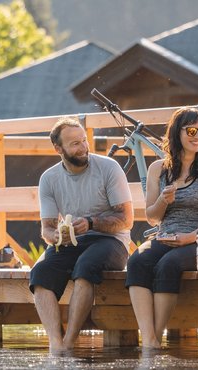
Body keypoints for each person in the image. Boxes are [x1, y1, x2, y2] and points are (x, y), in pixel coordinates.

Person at [29, 116, 134, 353]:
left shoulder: (108, 168)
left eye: (84, 141)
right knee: (40, 273)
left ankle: (69, 342)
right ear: (59, 149)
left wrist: (91, 222)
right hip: (73, 240)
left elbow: (126, 220)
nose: (83, 148)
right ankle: (55, 342)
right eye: (75, 144)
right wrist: (55, 237)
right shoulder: (49, 178)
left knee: (85, 268)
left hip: (112, 240)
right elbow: (46, 228)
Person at [124, 107, 198, 349]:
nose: (197, 136)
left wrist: (189, 237)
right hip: (167, 235)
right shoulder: (158, 169)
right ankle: (148, 337)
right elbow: (151, 217)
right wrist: (163, 200)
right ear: (176, 133)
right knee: (137, 261)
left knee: (168, 264)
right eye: (191, 130)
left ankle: (154, 338)